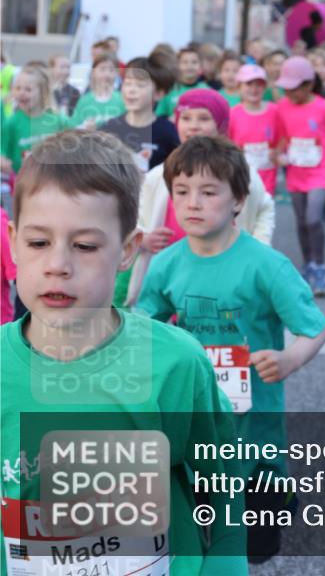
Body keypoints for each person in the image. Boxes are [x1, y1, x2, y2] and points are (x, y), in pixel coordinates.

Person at [1, 130, 247, 575]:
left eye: (86, 246)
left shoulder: (175, 363)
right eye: (39, 243)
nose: (58, 264)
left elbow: (222, 479)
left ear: (128, 250)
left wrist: (226, 563)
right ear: (14, 241)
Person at [136, 135, 325, 563]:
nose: (193, 203)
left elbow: (314, 328)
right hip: (193, 433)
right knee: (205, 545)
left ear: (239, 200)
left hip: (256, 437)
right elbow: (143, 325)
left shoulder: (266, 265)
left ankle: (280, 497)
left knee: (256, 549)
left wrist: (289, 358)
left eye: (209, 192)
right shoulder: (167, 264)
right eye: (182, 192)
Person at [124, 88, 274, 309]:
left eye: (204, 118)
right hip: (172, 275)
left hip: (226, 269)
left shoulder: (243, 171)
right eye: (185, 118)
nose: (193, 125)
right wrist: (143, 238)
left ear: (221, 125)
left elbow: (264, 208)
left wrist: (259, 247)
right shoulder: (160, 174)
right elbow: (133, 211)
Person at [275, 57, 325, 296]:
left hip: (320, 171)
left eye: (294, 87)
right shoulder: (282, 107)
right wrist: (278, 154)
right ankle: (307, 264)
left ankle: (320, 266)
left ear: (309, 85)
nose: (289, 92)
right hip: (295, 171)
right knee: (300, 221)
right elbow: (281, 136)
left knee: (313, 219)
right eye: (285, 88)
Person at [101, 55, 179, 174]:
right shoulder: (108, 129)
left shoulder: (168, 132)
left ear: (159, 93)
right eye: (127, 83)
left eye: (140, 85)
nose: (131, 90)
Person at [0, 63, 68, 175]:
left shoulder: (58, 119)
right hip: (23, 183)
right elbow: (2, 150)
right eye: (17, 88)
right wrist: (3, 162)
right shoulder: (11, 123)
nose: (21, 93)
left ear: (43, 92)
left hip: (55, 181)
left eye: (28, 89)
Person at [228, 64, 280, 195]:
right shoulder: (232, 114)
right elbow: (226, 143)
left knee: (264, 212)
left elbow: (284, 137)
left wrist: (278, 151)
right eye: (249, 84)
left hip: (267, 176)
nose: (254, 89)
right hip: (242, 176)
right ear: (239, 87)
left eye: (259, 84)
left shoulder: (275, 111)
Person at [70, 52, 125, 128]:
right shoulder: (85, 100)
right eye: (102, 69)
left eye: (112, 70)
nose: (107, 74)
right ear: (93, 72)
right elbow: (74, 126)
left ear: (117, 73)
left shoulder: (123, 99)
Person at [156, 43, 208, 118]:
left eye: (194, 62)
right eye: (185, 62)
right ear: (177, 65)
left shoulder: (207, 90)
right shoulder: (168, 89)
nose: (189, 66)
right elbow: (160, 116)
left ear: (200, 66)